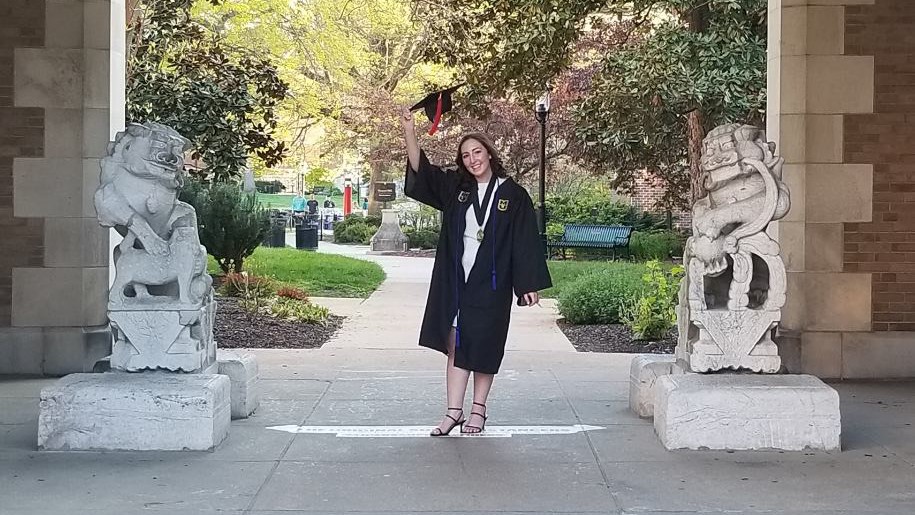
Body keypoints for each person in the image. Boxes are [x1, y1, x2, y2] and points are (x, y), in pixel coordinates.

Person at [401, 106, 552, 436]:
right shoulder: (458, 188)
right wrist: (410, 131)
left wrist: (528, 283)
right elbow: (420, 172)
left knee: (485, 343)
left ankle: (478, 411)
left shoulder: (513, 195)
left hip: (492, 281)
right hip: (458, 279)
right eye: (466, 155)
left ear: (489, 153)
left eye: (477, 152)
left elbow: (524, 242)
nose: (472, 159)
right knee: (456, 341)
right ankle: (453, 411)